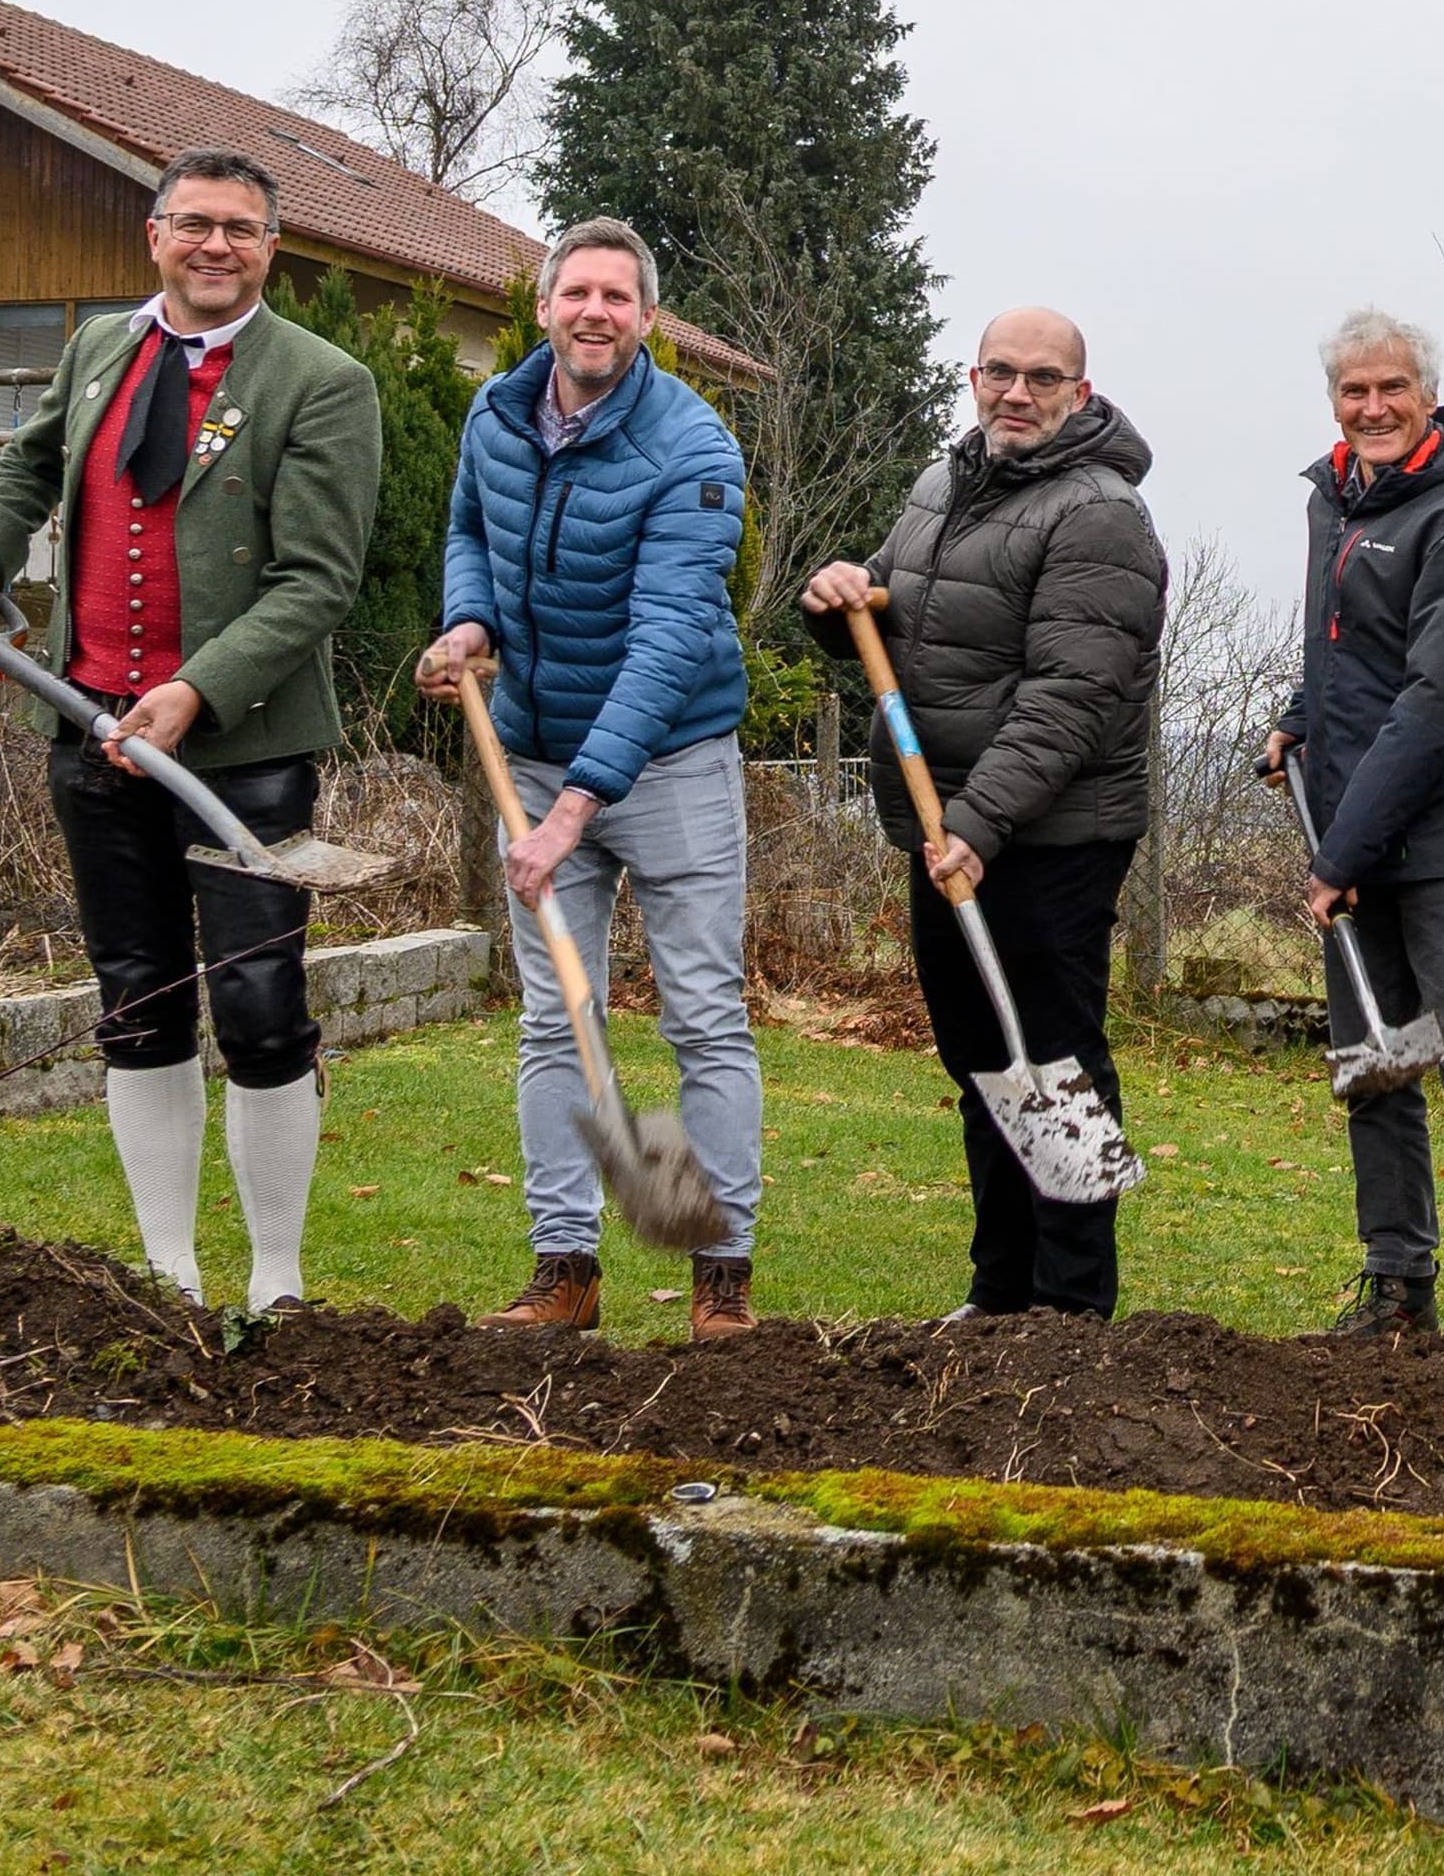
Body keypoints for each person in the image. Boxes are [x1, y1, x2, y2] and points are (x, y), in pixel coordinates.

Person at [0, 148, 381, 1310]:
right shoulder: (98, 349)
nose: (215, 245)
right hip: (90, 730)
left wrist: (195, 691)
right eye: (195, 224)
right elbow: (28, 467)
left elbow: (318, 579)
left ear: (271, 247)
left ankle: (276, 1279)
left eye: (240, 228)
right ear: (156, 235)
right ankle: (167, 1273)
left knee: (260, 1006)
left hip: (244, 750)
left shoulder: (321, 381)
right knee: (136, 999)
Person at [417, 218, 761, 1339]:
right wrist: (469, 622)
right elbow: (469, 531)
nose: (595, 312)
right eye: (577, 293)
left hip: (670, 764)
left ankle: (721, 1274)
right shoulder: (495, 412)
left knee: (703, 1015)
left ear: (647, 319)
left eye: (618, 297)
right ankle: (564, 1269)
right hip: (530, 748)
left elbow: (667, 641)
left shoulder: (694, 449)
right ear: (544, 307)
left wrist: (573, 808)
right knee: (556, 1020)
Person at [804, 308, 1166, 1321]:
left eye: (1043, 378)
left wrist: (980, 821)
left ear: (1079, 395)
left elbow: (1072, 697)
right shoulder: (943, 485)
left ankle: (1072, 1305)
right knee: (982, 1062)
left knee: (1052, 1062)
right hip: (946, 829)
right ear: (972, 378)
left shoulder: (1099, 514)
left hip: (1049, 835)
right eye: (1000, 371)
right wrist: (839, 597)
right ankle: (1001, 1292)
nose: (1017, 392)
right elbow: (894, 617)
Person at [1260, 311, 1444, 1334]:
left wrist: (1341, 852)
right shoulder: (1333, 500)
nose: (1372, 407)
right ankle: (1396, 1278)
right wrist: (1301, 716)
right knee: (1375, 1063)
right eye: (1354, 391)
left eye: (1392, 389)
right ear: (1335, 400)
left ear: (1428, 396)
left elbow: (1436, 699)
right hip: (1357, 824)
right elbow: (1350, 651)